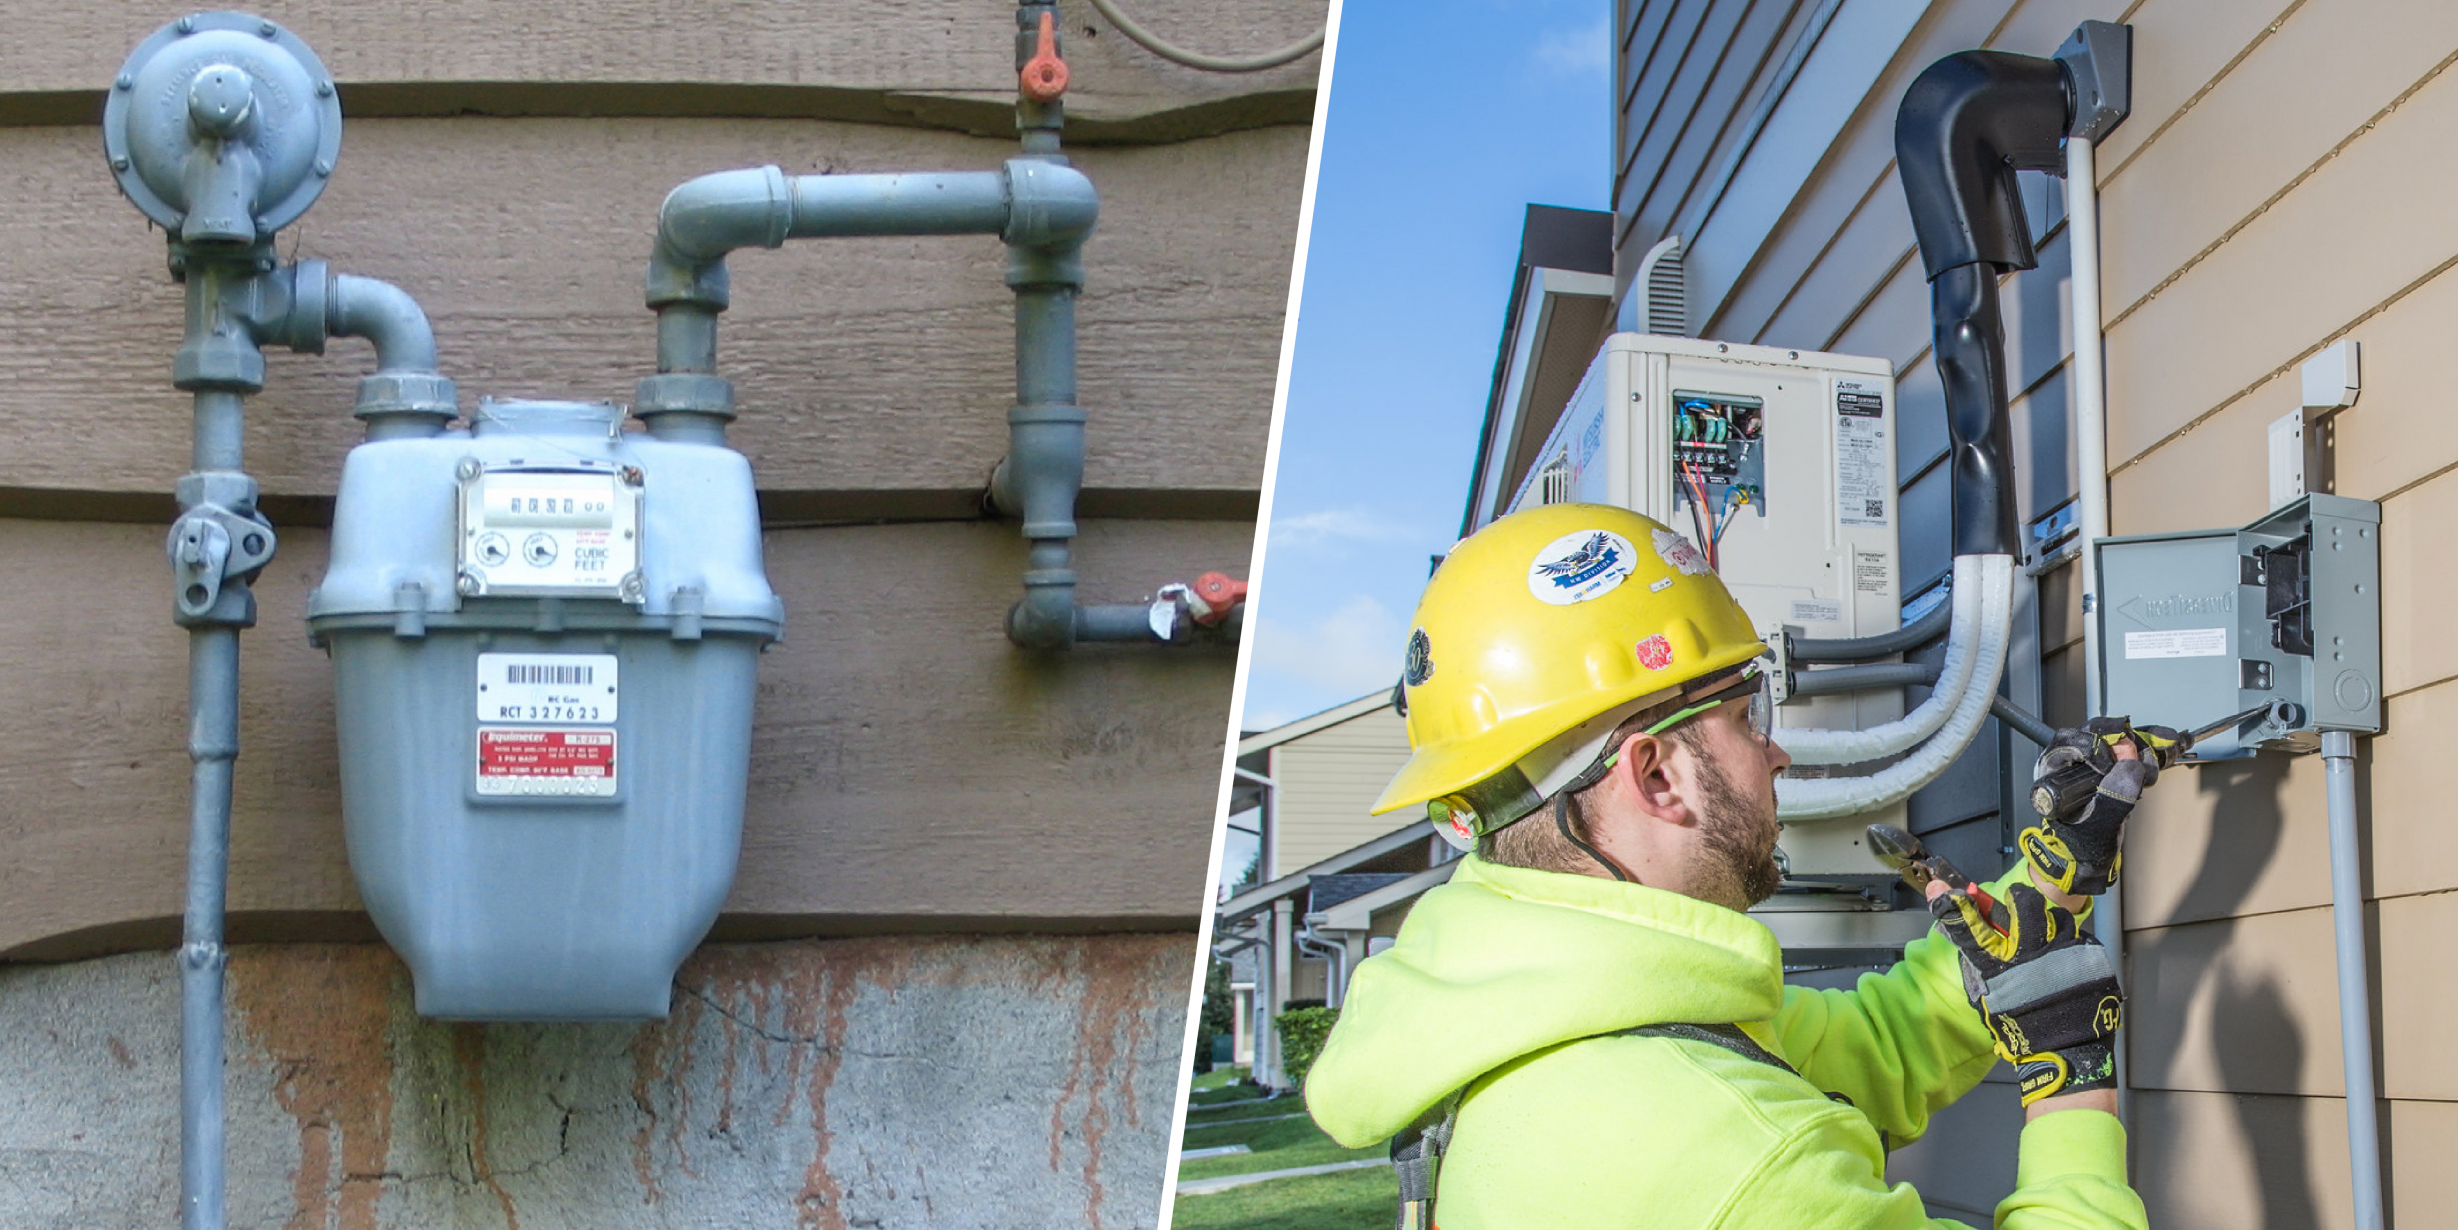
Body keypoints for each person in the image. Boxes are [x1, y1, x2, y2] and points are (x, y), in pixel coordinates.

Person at [1303, 503, 2151, 1229]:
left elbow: (1874, 1046)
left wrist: (2054, 872)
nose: (1776, 752)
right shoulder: (1723, 1157)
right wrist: (2069, 1073)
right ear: (1656, 775)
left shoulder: (1534, 1014)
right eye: (1749, 718)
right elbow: (1751, 1131)